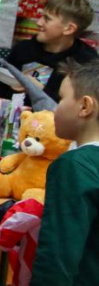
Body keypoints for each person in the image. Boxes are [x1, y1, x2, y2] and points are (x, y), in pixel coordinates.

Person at [30, 60, 99, 286]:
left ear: (85, 107)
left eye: (61, 99)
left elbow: (58, 255)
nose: (55, 108)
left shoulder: (74, 166)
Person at [0, 0, 98, 104]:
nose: (38, 23)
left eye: (47, 19)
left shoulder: (87, 63)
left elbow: (81, 109)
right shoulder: (23, 49)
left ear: (69, 29)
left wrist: (40, 90)